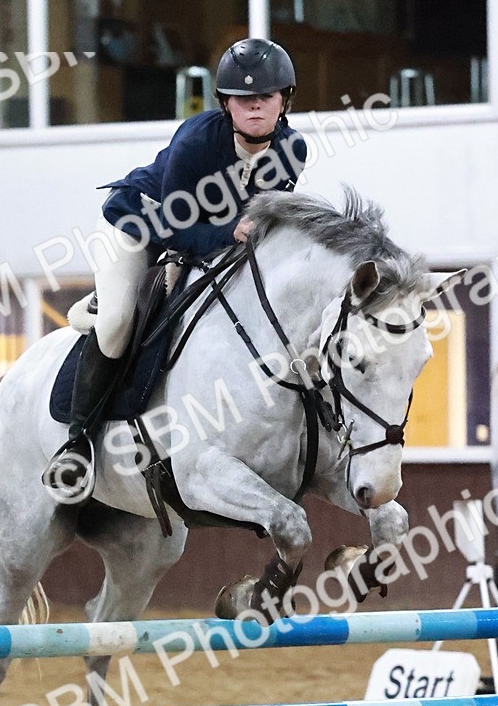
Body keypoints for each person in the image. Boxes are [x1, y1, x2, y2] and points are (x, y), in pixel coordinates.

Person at [43, 37, 308, 501]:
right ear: (225, 103)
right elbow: (173, 228)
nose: (253, 107)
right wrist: (230, 234)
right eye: (242, 99)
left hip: (205, 238)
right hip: (142, 226)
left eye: (264, 97)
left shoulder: (293, 149)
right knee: (119, 323)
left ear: (284, 101)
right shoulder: (195, 140)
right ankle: (78, 441)